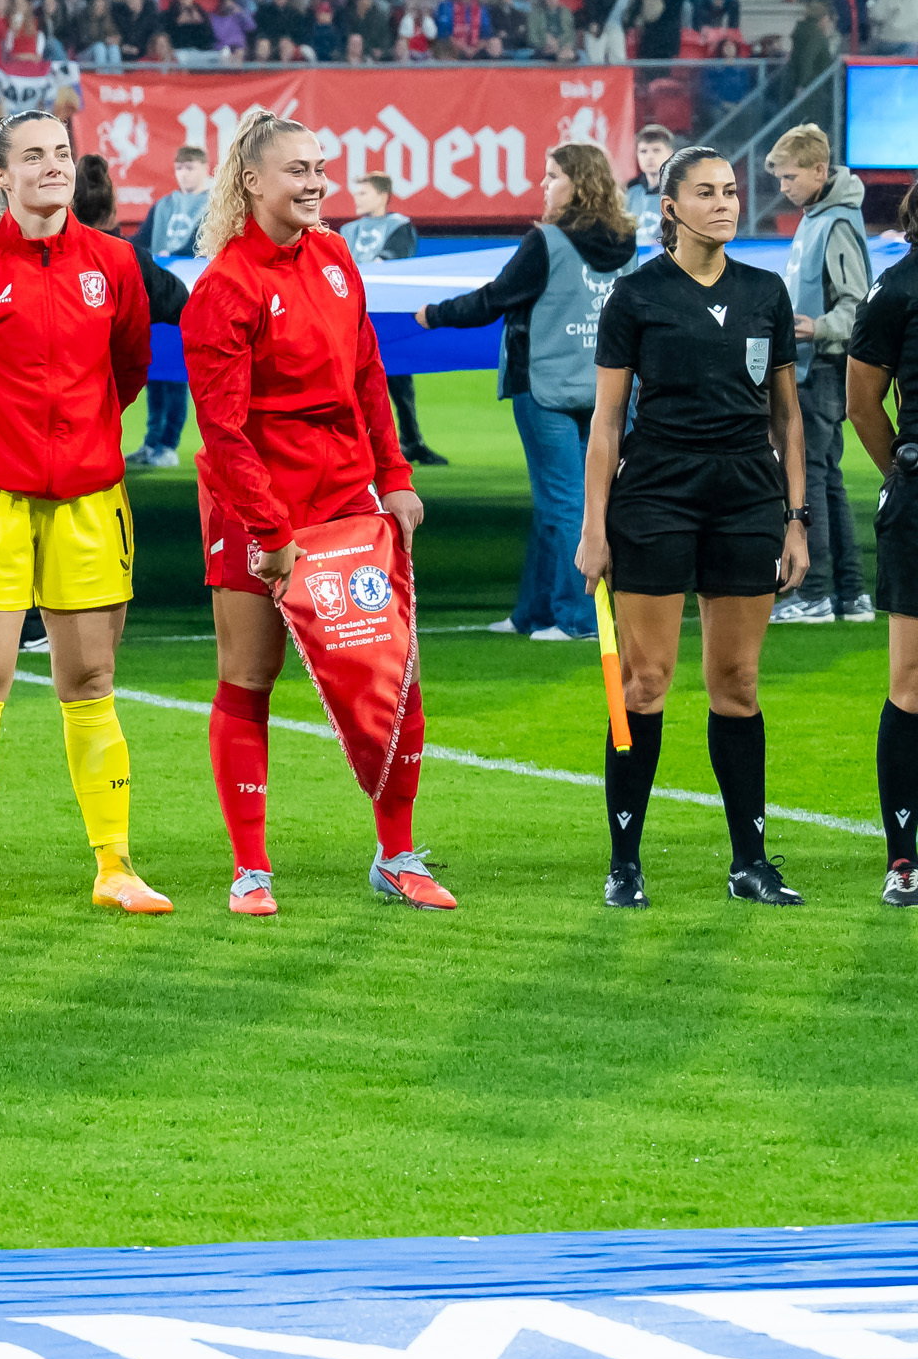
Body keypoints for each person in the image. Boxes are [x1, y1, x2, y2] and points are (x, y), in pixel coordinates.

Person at [181, 115, 447, 916]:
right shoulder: (224, 287)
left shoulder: (334, 256)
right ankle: (251, 869)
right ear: (252, 181)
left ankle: (397, 855)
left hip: (345, 501)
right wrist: (269, 531)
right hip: (255, 504)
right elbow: (223, 427)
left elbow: (368, 373)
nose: (315, 182)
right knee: (249, 676)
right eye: (298, 169)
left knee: (396, 678)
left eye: (321, 168)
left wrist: (394, 476)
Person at [0, 111, 164, 916]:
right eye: (34, 156)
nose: (53, 166)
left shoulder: (114, 264)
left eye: (62, 153)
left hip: (88, 501)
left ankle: (115, 866)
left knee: (91, 679)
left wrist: (79, 442)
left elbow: (129, 367)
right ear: (1, 176)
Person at [578, 147, 811, 908]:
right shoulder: (635, 295)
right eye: (706, 192)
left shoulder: (765, 291)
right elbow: (607, 421)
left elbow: (787, 417)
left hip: (746, 498)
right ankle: (624, 863)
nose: (725, 204)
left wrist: (796, 519)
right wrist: (593, 526)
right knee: (643, 683)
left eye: (732, 191)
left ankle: (751, 863)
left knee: (737, 684)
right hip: (655, 497)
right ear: (671, 207)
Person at [418, 144, 637, 643]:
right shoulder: (626, 243)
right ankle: (534, 612)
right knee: (566, 503)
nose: (544, 185)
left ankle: (577, 618)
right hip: (604, 389)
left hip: (543, 386)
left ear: (578, 184)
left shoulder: (546, 242)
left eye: (552, 175)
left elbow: (494, 299)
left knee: (564, 504)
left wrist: (434, 314)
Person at [836, 239, 918, 904]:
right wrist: (903, 476)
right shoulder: (897, 288)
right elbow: (862, 403)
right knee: (911, 680)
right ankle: (904, 859)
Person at [768, 124, 871, 626]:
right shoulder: (820, 218)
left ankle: (813, 596)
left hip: (822, 369)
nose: (783, 186)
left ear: (818, 170)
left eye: (790, 177)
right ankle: (850, 595)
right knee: (827, 482)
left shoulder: (835, 225)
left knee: (807, 482)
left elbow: (859, 306)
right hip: (820, 369)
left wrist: (819, 327)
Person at [337, 172, 443, 467]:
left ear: (382, 195)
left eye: (363, 193)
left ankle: (411, 441)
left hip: (386, 314)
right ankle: (359, 446)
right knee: (355, 382)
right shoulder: (347, 230)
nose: (356, 198)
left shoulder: (399, 226)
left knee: (398, 379)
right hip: (353, 315)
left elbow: (393, 261)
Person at [135, 143, 210, 467]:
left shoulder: (215, 203)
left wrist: (168, 257)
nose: (184, 174)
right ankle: (151, 442)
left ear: (205, 168)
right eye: (180, 168)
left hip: (191, 293)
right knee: (156, 368)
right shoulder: (164, 205)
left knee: (178, 371)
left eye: (190, 167)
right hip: (159, 292)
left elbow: (200, 242)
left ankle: (167, 445)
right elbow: (141, 241)